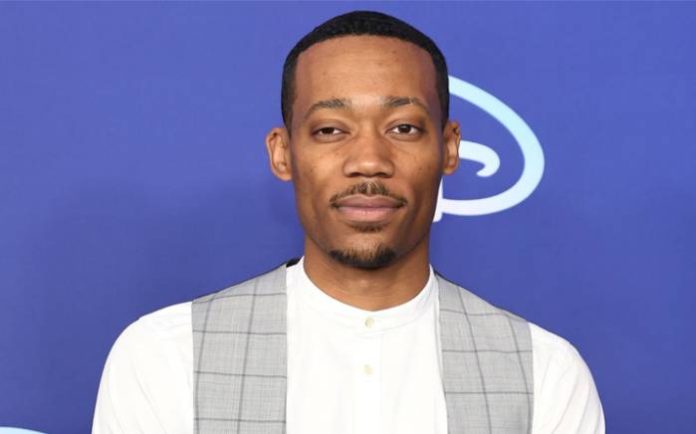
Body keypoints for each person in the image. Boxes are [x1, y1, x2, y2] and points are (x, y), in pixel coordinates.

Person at [93, 10, 604, 434]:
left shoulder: (543, 372)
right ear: (282, 152)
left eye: (403, 128)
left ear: (449, 148)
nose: (368, 161)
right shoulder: (166, 356)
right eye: (331, 130)